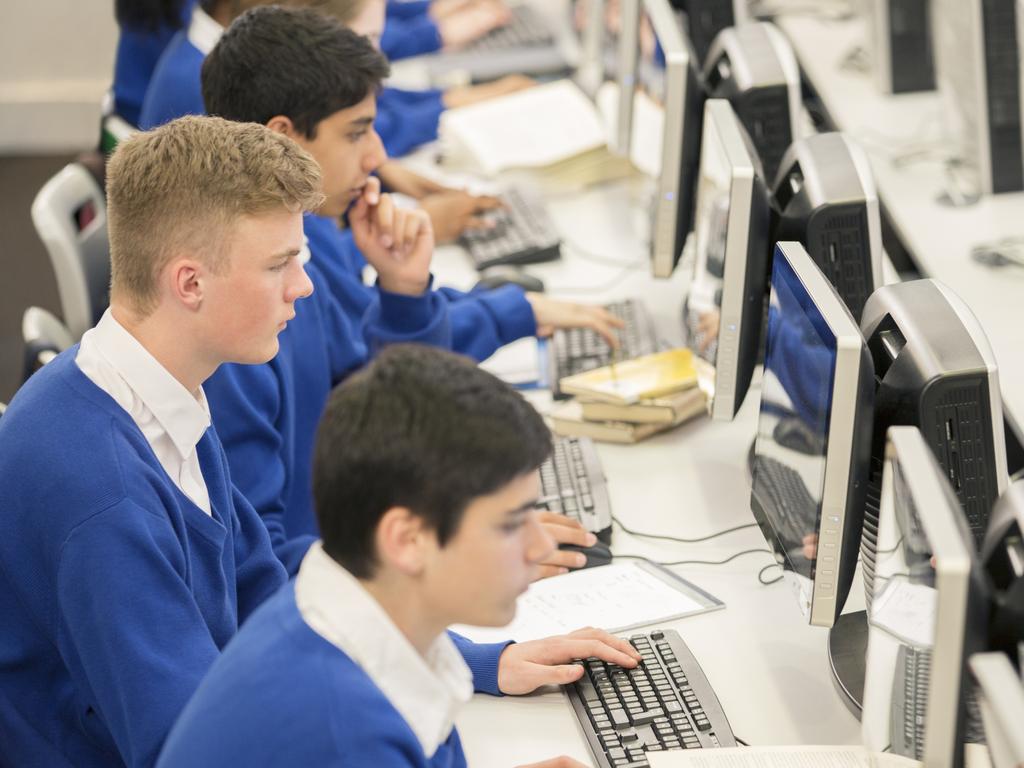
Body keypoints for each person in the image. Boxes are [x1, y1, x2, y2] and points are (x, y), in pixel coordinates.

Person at [201, 5, 616, 574]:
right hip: (332, 598)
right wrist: (448, 559)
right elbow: (263, 570)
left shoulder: (305, 246)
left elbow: (373, 400)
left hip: (353, 555)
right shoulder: (240, 323)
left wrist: (403, 289)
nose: (376, 157)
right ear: (283, 140)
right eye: (357, 132)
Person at [0, 116, 320, 767]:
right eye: (279, 265)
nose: (302, 286)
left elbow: (266, 594)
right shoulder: (106, 498)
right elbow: (192, 751)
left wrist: (454, 655)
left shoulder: (157, 392)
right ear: (190, 283)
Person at [158, 345, 642, 767]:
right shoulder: (348, 729)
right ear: (407, 540)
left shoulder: (334, 616)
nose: (539, 547)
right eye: (511, 522)